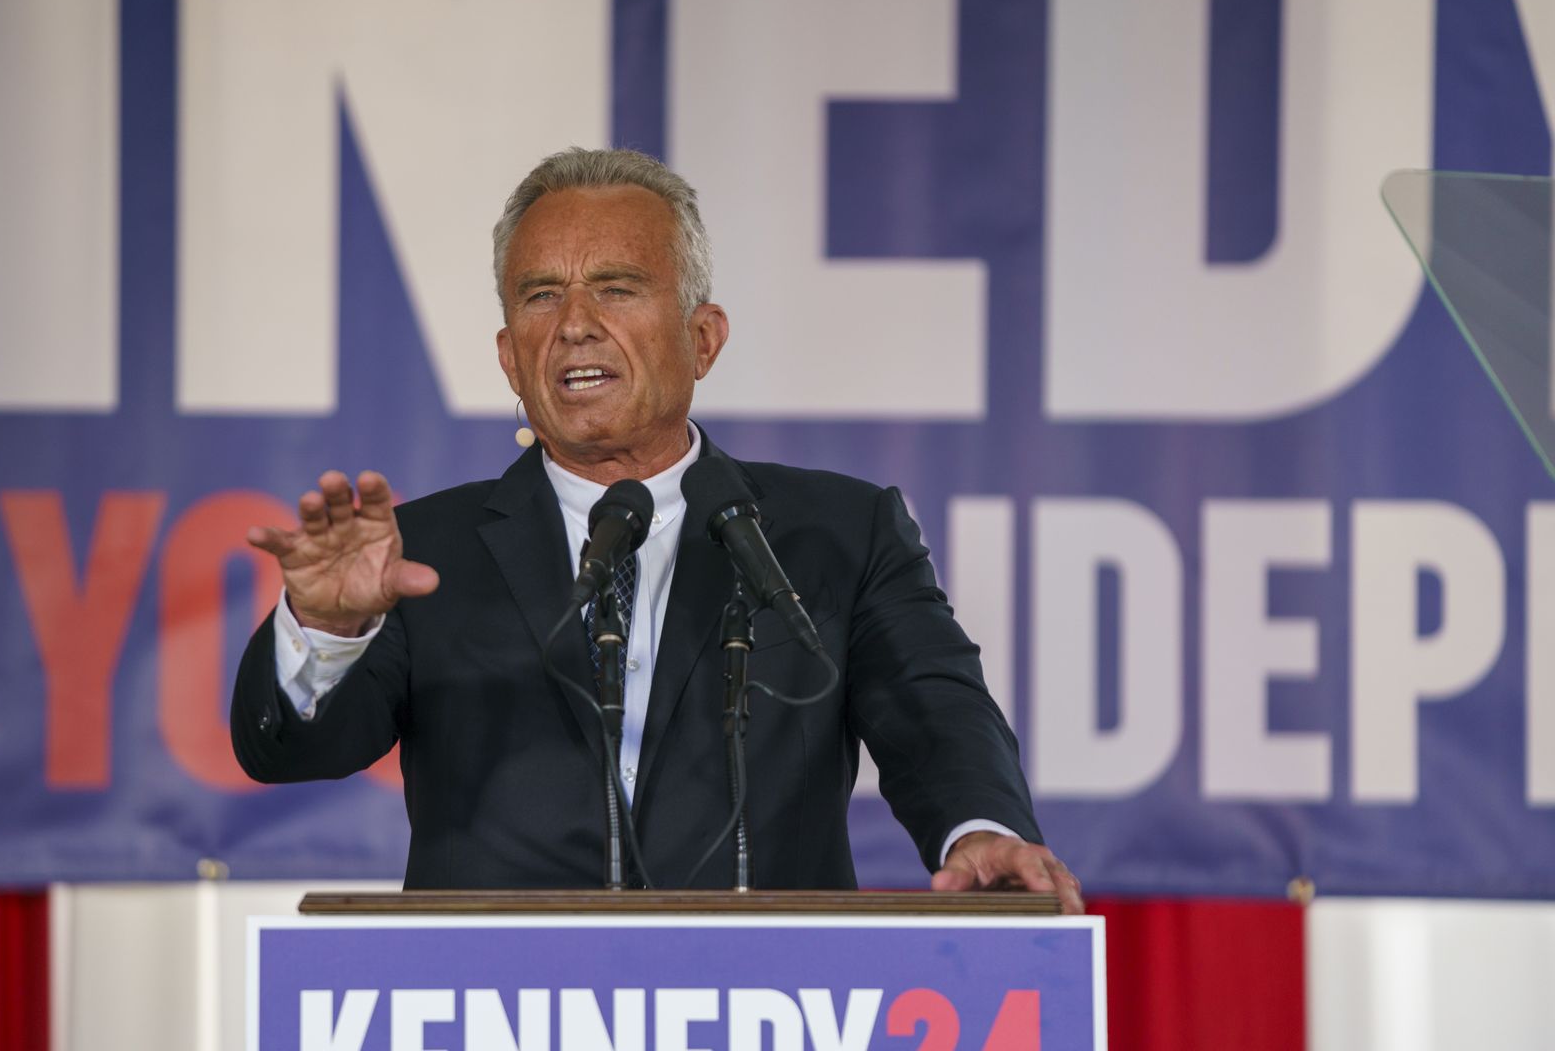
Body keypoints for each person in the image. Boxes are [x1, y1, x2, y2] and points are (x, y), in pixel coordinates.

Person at [231, 147, 1081, 911]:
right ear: (509, 356)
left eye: (617, 287)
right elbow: (289, 753)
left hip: (764, 994)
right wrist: (328, 630)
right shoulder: (423, 553)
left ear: (702, 339)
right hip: (499, 1001)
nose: (574, 323)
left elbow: (934, 708)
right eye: (541, 295)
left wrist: (981, 830)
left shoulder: (839, 532)